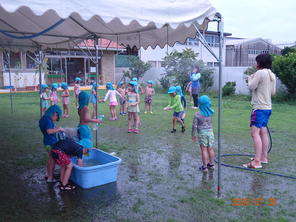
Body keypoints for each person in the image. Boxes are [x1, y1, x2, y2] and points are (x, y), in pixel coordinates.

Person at [243, 54, 276, 169]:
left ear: (260, 63)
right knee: (263, 132)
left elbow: (251, 86)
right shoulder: (271, 74)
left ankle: (256, 161)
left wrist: (250, 78)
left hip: (259, 108)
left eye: (257, 62)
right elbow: (273, 93)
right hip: (268, 108)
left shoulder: (260, 73)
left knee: (255, 133)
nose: (256, 64)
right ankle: (263, 157)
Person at [39, 105, 64, 183]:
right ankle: (50, 178)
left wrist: (55, 128)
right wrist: (58, 129)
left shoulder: (43, 118)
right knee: (52, 160)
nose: (56, 119)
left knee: (50, 159)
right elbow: (49, 131)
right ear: (54, 113)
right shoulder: (48, 120)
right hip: (51, 143)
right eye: (57, 117)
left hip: (46, 142)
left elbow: (48, 128)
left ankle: (48, 174)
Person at [191, 95, 215, 172]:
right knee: (210, 149)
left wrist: (193, 134)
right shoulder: (211, 112)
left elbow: (194, 126)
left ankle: (204, 167)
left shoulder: (197, 114)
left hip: (202, 134)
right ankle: (211, 164)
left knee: (204, 150)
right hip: (211, 133)